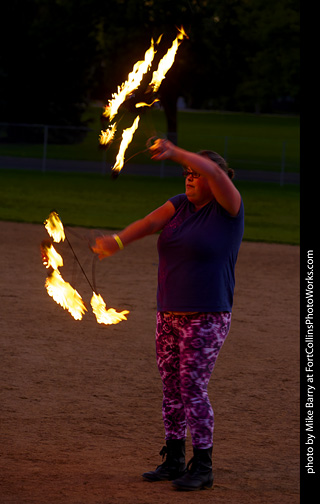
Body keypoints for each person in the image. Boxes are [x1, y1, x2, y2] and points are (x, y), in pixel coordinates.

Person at [92, 138, 244, 491]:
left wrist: (177, 152)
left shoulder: (228, 209)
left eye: (196, 174)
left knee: (192, 386)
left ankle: (202, 465)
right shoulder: (178, 206)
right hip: (168, 314)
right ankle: (174, 458)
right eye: (185, 173)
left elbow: (211, 172)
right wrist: (116, 243)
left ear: (215, 178)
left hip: (206, 315)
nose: (189, 179)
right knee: (172, 388)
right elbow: (147, 223)